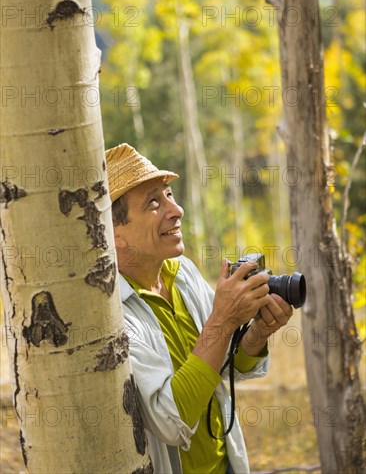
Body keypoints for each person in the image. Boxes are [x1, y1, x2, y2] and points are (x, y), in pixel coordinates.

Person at [105, 143, 293, 474]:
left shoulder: (183, 272)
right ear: (114, 231)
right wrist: (222, 320)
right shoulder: (112, 313)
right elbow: (169, 421)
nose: (176, 210)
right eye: (153, 202)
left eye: (169, 194)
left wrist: (257, 334)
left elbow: (220, 366)